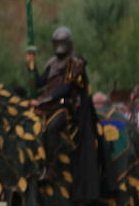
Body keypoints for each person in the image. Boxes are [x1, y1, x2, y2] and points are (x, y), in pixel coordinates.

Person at [26, 27, 91, 184]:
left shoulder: (75, 61)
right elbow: (39, 83)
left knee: (52, 127)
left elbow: (66, 88)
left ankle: (50, 169)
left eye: (63, 42)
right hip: (48, 105)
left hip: (67, 107)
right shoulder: (52, 63)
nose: (60, 46)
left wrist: (43, 100)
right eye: (57, 43)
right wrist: (31, 65)